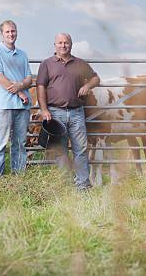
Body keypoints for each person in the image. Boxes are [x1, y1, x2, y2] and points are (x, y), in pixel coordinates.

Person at [37, 33, 100, 189]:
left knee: (81, 149)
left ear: (71, 45)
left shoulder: (79, 63)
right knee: (60, 151)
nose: (63, 45)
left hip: (76, 111)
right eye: (60, 42)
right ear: (55, 45)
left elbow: (96, 78)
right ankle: (65, 186)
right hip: (55, 113)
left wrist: (87, 86)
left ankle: (82, 185)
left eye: (66, 43)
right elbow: (40, 87)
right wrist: (44, 109)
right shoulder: (47, 64)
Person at [0, 20, 33, 175]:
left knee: (20, 144)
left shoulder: (22, 54)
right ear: (2, 34)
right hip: (4, 105)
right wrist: (20, 91)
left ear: (17, 32)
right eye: (7, 32)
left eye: (13, 31)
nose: (11, 34)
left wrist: (21, 86)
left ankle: (18, 178)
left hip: (22, 107)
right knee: (0, 145)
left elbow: (29, 79)